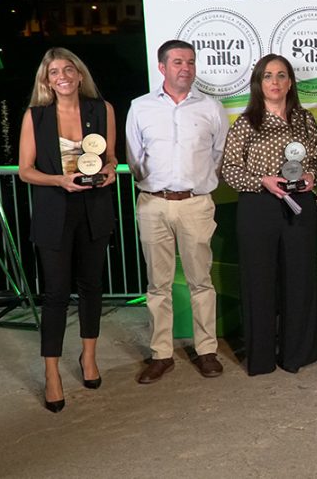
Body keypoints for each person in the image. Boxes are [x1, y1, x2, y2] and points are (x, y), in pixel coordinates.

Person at [18, 48, 117, 412]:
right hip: (53, 211)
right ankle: (52, 373)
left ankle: (88, 358)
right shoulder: (36, 116)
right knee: (56, 293)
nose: (61, 75)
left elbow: (110, 158)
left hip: (95, 209)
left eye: (68, 69)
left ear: (79, 75)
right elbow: (25, 170)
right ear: (46, 80)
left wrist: (109, 170)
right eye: (53, 71)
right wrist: (60, 179)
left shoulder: (101, 110)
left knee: (92, 287)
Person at [126, 39, 228, 384]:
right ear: (162, 67)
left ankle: (206, 350)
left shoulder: (211, 108)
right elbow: (134, 157)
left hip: (196, 204)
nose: (186, 68)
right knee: (158, 285)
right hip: (153, 204)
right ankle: (161, 354)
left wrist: (195, 183)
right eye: (178, 62)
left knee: (201, 281)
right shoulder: (139, 108)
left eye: (190, 62)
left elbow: (218, 154)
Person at [220, 54, 317, 375]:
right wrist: (261, 180)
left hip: (299, 205)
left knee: (299, 280)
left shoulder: (305, 120)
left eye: (281, 75)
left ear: (290, 82)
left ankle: (297, 354)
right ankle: (262, 358)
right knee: (259, 282)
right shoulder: (246, 123)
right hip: (258, 206)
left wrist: (310, 178)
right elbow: (229, 170)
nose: (275, 82)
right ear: (258, 83)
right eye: (267, 76)